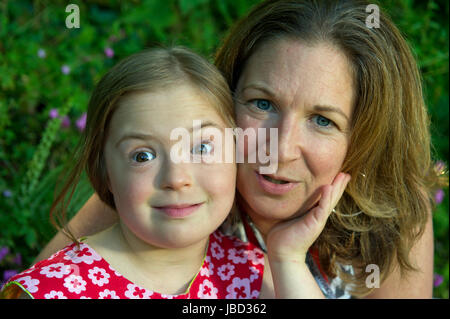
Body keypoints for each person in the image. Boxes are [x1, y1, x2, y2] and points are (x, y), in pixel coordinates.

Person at [32, 0, 446, 298]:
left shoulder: (394, 215)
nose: (279, 149)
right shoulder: (171, 186)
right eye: (262, 104)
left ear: (367, 137)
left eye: (323, 120)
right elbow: (52, 279)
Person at [1, 47, 268, 299]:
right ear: (104, 171)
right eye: (143, 156)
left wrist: (288, 258)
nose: (176, 179)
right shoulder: (55, 289)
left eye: (201, 147)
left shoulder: (258, 273)